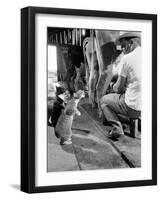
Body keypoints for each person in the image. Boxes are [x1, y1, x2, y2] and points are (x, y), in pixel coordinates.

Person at [100, 33, 141, 139]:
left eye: (123, 45)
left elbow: (118, 88)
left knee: (104, 100)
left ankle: (117, 128)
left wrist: (113, 86)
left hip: (134, 107)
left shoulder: (127, 58)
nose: (122, 49)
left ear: (131, 43)